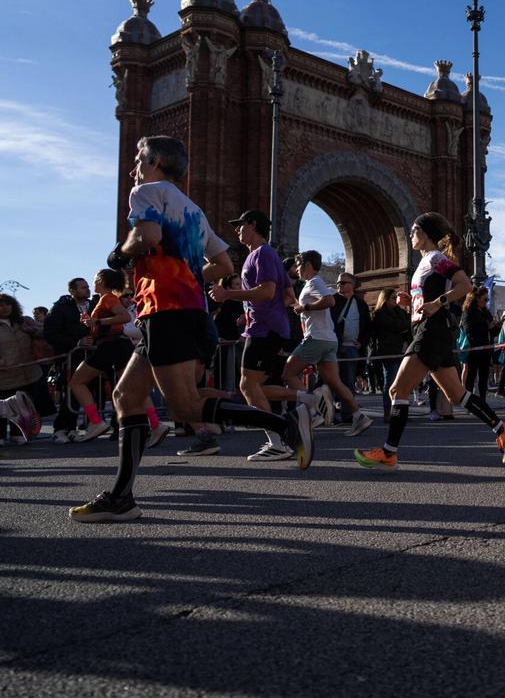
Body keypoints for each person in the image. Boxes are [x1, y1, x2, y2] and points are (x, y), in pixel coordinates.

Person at [70, 136, 310, 523]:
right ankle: (121, 496)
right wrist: (186, 276)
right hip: (181, 311)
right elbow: (223, 266)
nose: (134, 169)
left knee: (183, 406)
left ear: (157, 161)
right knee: (126, 397)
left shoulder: (145, 192)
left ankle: (282, 423)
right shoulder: (193, 209)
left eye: (138, 160)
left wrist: (118, 253)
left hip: (165, 312)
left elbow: (146, 237)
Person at [353, 212, 505, 469]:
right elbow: (431, 296)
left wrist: (437, 303)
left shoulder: (437, 259)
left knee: (397, 390)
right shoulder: (425, 263)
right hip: (430, 330)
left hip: (430, 331)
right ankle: (502, 427)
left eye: (414, 230)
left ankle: (388, 452)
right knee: (456, 395)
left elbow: (464, 285)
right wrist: (413, 303)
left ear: (426, 234)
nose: (410, 234)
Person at [209, 209, 305, 461]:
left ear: (253, 225)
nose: (237, 230)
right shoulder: (266, 254)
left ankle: (278, 442)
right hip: (269, 327)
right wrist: (253, 311)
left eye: (240, 225)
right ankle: (311, 399)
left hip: (264, 330)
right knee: (258, 386)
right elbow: (287, 296)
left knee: (247, 385)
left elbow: (266, 291)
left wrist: (229, 295)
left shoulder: (261, 254)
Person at [261, 250, 371, 437]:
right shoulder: (312, 285)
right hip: (328, 340)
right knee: (335, 383)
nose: (296, 269)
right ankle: (359, 416)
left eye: (298, 265)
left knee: (288, 374)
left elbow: (329, 301)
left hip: (316, 338)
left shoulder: (314, 282)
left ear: (308, 265)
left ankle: (312, 410)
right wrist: (298, 306)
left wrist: (306, 307)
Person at [66, 269, 136, 442]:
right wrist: (92, 324)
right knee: (126, 389)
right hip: (117, 345)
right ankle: (153, 424)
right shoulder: (105, 299)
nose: (93, 284)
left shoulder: (108, 298)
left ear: (102, 281)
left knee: (76, 382)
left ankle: (96, 421)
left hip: (111, 346)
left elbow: (125, 317)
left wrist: (97, 321)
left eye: (95, 280)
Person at [43, 277, 96, 442]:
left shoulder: (94, 305)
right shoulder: (60, 308)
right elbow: (50, 333)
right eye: (82, 287)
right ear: (72, 291)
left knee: (90, 391)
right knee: (71, 393)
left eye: (88, 287)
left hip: (92, 356)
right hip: (70, 357)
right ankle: (61, 428)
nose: (87, 290)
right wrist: (76, 343)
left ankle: (79, 426)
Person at [0, 293, 46, 444]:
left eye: (7, 304)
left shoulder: (24, 321)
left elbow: (45, 332)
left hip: (29, 372)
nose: (4, 308)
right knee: (4, 407)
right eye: (1, 305)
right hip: (5, 374)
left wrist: (32, 331)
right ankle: (1, 435)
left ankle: (19, 433)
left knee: (24, 407)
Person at [332, 272, 372, 422]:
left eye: (343, 283)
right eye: (338, 283)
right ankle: (331, 414)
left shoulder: (361, 304)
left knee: (348, 381)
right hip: (334, 347)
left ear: (352, 285)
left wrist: (362, 341)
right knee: (332, 381)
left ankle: (347, 414)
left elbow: (367, 326)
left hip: (352, 348)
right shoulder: (332, 301)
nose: (339, 285)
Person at [372, 287, 412, 424]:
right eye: (394, 298)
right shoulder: (380, 314)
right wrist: (404, 326)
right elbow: (397, 326)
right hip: (388, 352)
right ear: (385, 299)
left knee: (402, 383)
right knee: (390, 382)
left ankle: (399, 412)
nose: (397, 300)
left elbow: (409, 322)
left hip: (401, 351)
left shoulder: (399, 311)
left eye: (397, 298)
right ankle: (388, 412)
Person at [460, 285, 494, 403]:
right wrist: (486, 326)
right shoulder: (468, 311)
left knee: (484, 377)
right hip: (474, 348)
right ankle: (469, 402)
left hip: (486, 348)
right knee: (471, 376)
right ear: (477, 298)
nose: (486, 302)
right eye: (485, 299)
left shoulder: (485, 311)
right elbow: (468, 329)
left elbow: (491, 326)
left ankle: (483, 401)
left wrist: (495, 326)